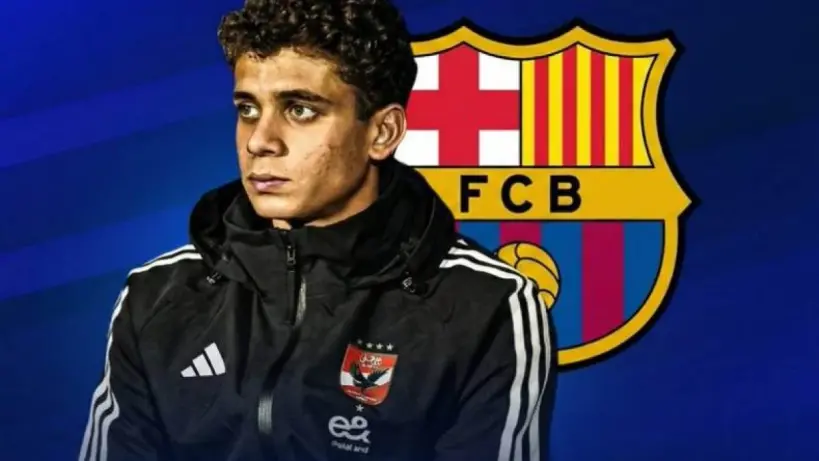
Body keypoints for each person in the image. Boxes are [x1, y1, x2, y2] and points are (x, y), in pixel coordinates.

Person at [78, 0, 557, 460]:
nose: (260, 141)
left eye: (300, 109)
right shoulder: (156, 296)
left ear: (383, 133)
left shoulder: (488, 306)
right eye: (248, 109)